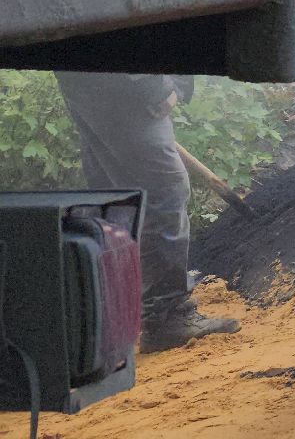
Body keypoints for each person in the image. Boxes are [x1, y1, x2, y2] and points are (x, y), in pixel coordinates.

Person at [54, 72, 241, 353]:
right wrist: (152, 83)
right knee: (163, 189)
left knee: (118, 192)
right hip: (122, 80)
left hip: (84, 74)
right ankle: (166, 316)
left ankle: (116, 315)